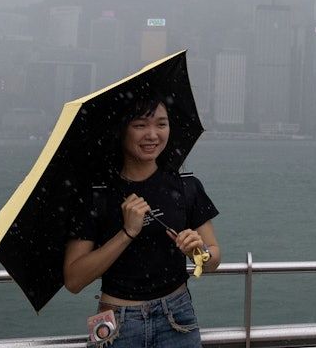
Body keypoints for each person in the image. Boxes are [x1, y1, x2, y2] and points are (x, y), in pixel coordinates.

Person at [64, 97, 221, 347]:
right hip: (115, 321)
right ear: (121, 129)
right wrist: (127, 232)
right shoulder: (98, 194)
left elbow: (213, 258)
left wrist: (198, 252)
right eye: (139, 125)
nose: (152, 135)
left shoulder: (186, 186)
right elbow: (73, 279)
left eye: (161, 124)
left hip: (177, 316)